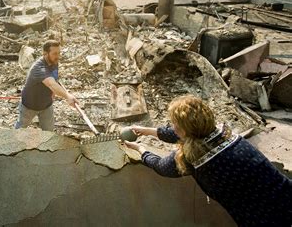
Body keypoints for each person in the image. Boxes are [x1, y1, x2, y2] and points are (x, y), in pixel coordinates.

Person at [123, 95, 292, 227]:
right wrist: (147, 131)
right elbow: (189, 133)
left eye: (174, 124)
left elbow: (162, 167)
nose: (172, 127)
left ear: (182, 129)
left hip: (265, 220)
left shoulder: (193, 158)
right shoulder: (223, 131)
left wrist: (141, 150)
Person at [15, 40, 78, 131]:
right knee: (19, 132)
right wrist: (67, 96)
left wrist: (52, 93)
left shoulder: (54, 62)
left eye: (59, 53)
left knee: (49, 133)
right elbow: (51, 84)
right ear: (45, 53)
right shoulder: (39, 68)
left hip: (46, 106)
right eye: (55, 53)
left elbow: (54, 79)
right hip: (29, 106)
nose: (58, 56)